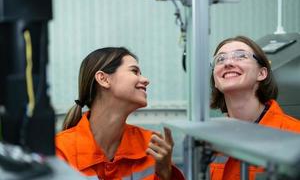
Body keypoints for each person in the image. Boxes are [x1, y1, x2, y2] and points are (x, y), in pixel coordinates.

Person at [55, 47, 185, 180]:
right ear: (104, 79)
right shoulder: (61, 151)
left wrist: (167, 174)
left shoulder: (151, 145)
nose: (146, 80)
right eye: (134, 71)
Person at [209, 36, 300, 180]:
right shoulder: (207, 138)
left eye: (240, 56)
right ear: (215, 80)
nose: (228, 63)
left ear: (262, 73)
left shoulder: (295, 135)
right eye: (220, 59)